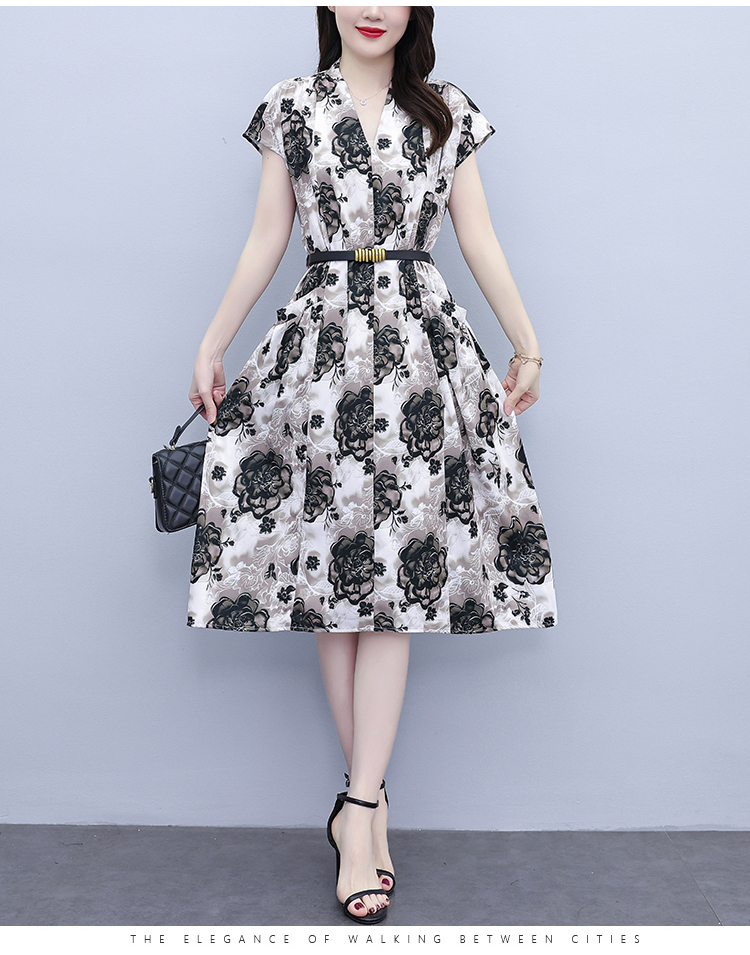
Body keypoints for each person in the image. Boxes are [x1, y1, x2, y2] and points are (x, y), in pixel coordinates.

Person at [186, 5, 558, 924]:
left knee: (396, 580)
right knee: (334, 583)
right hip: (319, 349)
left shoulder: (446, 109)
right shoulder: (291, 105)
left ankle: (356, 809)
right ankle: (371, 805)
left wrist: (526, 343)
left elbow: (478, 236)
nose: (373, 6)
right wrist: (213, 341)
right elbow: (268, 236)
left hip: (418, 352)